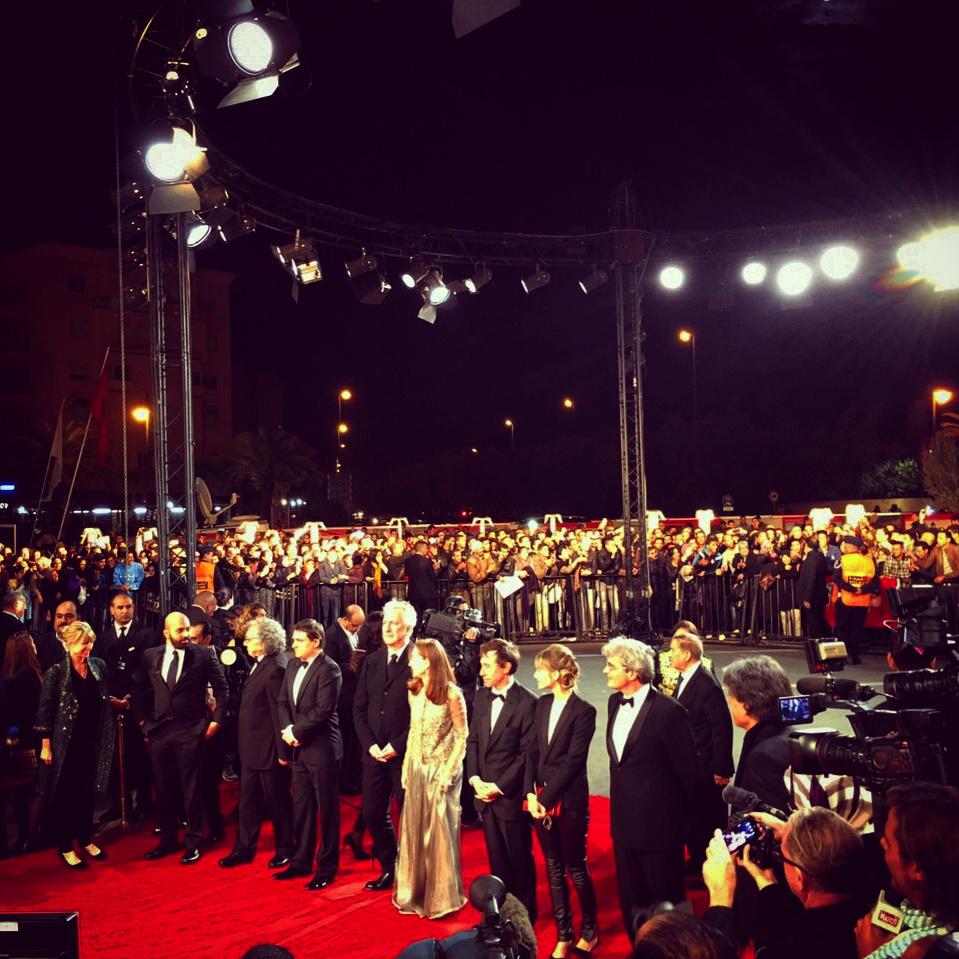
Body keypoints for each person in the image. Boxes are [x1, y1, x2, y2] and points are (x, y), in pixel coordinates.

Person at [602, 636, 699, 938]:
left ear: (632, 672)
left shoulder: (669, 712)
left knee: (670, 912)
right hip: (623, 828)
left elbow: (690, 775)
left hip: (660, 833)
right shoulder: (613, 702)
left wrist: (674, 825)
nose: (605, 670)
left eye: (611, 665)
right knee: (633, 905)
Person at [702, 806, 867, 959]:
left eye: (781, 855)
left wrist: (720, 898)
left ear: (800, 878)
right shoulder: (866, 915)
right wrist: (787, 831)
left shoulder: (785, 952)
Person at [134, 610, 229, 865]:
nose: (186, 635)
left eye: (187, 629)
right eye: (180, 630)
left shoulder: (204, 655)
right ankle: (167, 840)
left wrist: (216, 720)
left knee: (192, 789)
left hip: (191, 730)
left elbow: (221, 688)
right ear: (166, 632)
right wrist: (144, 722)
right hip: (160, 732)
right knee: (163, 790)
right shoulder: (150, 656)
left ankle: (193, 842)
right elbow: (139, 689)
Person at [525, 643, 598, 959]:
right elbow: (530, 752)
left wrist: (545, 797)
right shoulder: (540, 705)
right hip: (539, 800)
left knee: (575, 869)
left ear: (556, 673)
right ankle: (563, 934)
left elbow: (573, 762)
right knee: (553, 868)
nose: (536, 674)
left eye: (541, 669)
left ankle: (590, 931)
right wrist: (530, 792)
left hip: (568, 801)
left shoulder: (584, 711)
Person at [393, 638, 468, 918]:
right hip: (416, 768)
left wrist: (449, 772)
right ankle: (415, 893)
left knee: (439, 834)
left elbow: (462, 737)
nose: (410, 661)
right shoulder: (414, 690)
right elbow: (413, 732)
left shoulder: (452, 694)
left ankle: (442, 897)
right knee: (414, 830)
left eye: (414, 657)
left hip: (442, 770)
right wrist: (405, 769)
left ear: (428, 661)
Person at [467, 637, 538, 923]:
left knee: (520, 859)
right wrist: (474, 779)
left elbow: (525, 755)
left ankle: (525, 914)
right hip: (484, 795)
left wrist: (498, 787)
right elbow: (473, 740)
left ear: (506, 667)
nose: (481, 671)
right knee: (496, 860)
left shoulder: (528, 703)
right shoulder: (482, 696)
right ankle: (503, 911)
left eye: (486, 665)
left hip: (508, 795)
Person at [34, 621, 114, 869]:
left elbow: (101, 699)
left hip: (92, 740)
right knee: (65, 796)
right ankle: (65, 845)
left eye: (90, 643)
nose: (87, 648)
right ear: (68, 644)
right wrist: (46, 746)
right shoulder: (56, 673)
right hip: (64, 743)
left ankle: (86, 837)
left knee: (88, 791)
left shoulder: (97, 666)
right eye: (82, 644)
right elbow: (44, 711)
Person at [219, 616, 294, 870]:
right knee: (248, 803)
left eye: (250, 639)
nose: (245, 643)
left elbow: (279, 713)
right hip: (251, 750)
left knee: (278, 802)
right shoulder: (260, 664)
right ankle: (243, 848)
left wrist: (283, 752)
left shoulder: (275, 668)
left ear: (263, 642)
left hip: (269, 751)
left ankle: (285, 847)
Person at [275, 618, 342, 889]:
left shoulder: (330, 669)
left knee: (326, 810)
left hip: (322, 747)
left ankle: (327, 866)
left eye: (299, 641)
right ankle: (301, 862)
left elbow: (323, 710)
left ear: (315, 641)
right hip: (298, 748)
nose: (293, 646)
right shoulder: (292, 664)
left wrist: (296, 732)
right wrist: (288, 730)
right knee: (301, 807)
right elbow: (282, 702)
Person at [857, 782, 959, 959]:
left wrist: (871, 954)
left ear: (917, 869)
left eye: (889, 843)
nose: (881, 842)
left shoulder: (922, 952)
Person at [353, 598, 414, 893]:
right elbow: (359, 708)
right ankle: (390, 866)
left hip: (405, 754)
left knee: (411, 816)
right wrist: (370, 745)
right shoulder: (373, 660)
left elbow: (426, 715)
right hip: (374, 754)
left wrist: (397, 746)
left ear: (409, 627)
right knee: (373, 813)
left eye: (395, 623)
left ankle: (413, 873)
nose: (388, 628)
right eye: (386, 622)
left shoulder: (420, 659)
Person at [667, 631, 734, 873]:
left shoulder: (706, 684)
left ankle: (709, 864)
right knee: (693, 816)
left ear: (686, 653)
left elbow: (722, 728)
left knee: (707, 818)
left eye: (673, 650)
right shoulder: (685, 678)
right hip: (691, 765)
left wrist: (722, 768)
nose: (669, 655)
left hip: (706, 768)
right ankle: (696, 860)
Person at [722, 655, 792, 813]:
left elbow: (767, 822)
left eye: (730, 697)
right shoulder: (786, 735)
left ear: (746, 704)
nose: (729, 703)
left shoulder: (763, 757)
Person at [2, 630, 43, 855]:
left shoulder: (11, 675)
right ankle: (29, 838)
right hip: (31, 740)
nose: (36, 646)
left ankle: (25, 837)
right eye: (32, 643)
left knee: (22, 792)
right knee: (33, 789)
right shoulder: (28, 676)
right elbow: (32, 712)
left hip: (19, 741)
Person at [324, 603, 365, 796]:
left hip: (354, 693)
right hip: (342, 697)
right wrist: (352, 666)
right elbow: (330, 667)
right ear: (345, 620)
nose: (358, 629)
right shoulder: (332, 636)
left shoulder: (352, 633)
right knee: (346, 740)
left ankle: (352, 778)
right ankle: (343, 781)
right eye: (355, 625)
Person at [833, 536, 879, 663]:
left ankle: (844, 656)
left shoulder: (842, 560)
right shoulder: (869, 561)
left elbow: (837, 579)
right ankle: (854, 655)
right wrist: (862, 590)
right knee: (856, 629)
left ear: (848, 546)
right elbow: (875, 581)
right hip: (863, 601)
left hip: (846, 600)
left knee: (842, 628)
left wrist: (852, 589)